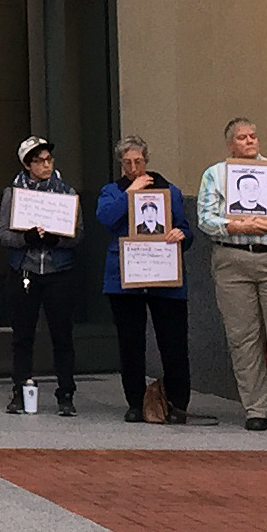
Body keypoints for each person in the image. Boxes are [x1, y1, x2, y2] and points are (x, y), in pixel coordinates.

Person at [196, 117, 267, 432]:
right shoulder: (215, 175)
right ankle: (257, 409)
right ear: (230, 143)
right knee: (243, 337)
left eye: (253, 136)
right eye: (242, 138)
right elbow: (205, 217)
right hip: (232, 260)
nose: (250, 142)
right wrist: (233, 225)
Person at [97, 135, 194, 425]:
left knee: (173, 342)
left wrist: (182, 235)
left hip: (165, 276)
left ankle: (177, 404)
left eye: (138, 161)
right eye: (127, 162)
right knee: (131, 343)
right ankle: (136, 403)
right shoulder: (112, 191)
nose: (133, 167)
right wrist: (131, 193)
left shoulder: (169, 191)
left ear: (146, 161)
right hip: (125, 277)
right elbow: (104, 218)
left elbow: (186, 231)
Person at [0, 136, 79, 417]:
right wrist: (26, 238)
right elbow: (4, 234)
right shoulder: (14, 193)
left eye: (48, 159)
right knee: (23, 335)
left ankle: (66, 393)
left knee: (62, 335)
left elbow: (77, 234)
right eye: (39, 160)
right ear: (27, 165)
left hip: (58, 271)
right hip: (26, 270)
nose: (45, 165)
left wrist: (58, 240)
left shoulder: (65, 192)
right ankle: (19, 391)